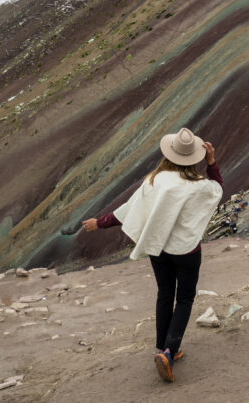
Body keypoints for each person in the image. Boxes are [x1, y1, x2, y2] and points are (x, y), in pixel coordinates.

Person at [81, 128, 222, 384]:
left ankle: (162, 348)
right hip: (187, 250)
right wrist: (211, 162)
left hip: (159, 249)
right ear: (194, 157)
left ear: (169, 154)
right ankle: (171, 351)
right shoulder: (200, 186)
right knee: (185, 299)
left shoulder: (155, 180)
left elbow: (127, 210)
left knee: (165, 294)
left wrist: (99, 223)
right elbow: (217, 189)